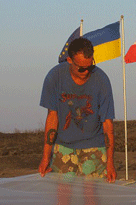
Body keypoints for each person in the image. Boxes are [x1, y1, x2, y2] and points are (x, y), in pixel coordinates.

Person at [38, 37, 116, 183]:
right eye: (81, 68)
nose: (86, 72)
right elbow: (52, 118)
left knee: (91, 197)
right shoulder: (54, 77)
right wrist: (45, 158)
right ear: (69, 60)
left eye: (90, 66)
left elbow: (107, 123)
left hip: (94, 145)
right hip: (63, 146)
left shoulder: (102, 80)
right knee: (63, 196)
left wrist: (110, 162)